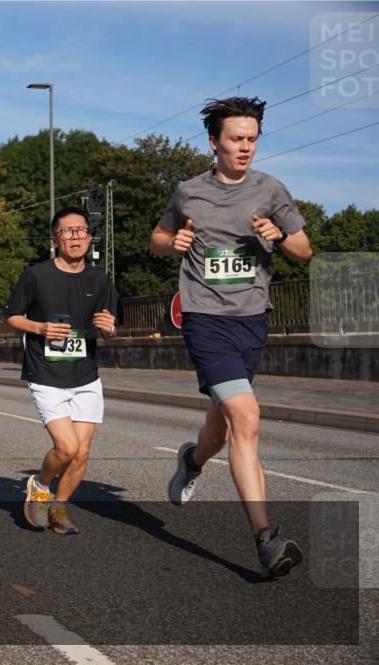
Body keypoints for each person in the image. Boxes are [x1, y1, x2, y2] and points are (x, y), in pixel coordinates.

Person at [150, 97, 313, 579]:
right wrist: (173, 242)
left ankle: (193, 460)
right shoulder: (188, 192)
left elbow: (304, 250)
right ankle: (266, 538)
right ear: (214, 142)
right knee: (248, 416)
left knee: (221, 426)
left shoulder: (271, 190)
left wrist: (278, 235)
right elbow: (157, 240)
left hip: (252, 320)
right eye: (236, 139)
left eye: (252, 139)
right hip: (204, 318)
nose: (245, 147)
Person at [5, 207, 118, 535]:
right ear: (55, 239)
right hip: (45, 374)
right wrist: (39, 327)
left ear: (90, 236)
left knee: (82, 453)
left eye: (81, 230)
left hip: (85, 375)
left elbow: (109, 328)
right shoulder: (36, 275)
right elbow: (12, 316)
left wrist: (109, 328)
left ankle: (59, 507)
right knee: (66, 447)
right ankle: (40, 486)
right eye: (68, 232)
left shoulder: (100, 279)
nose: (76, 237)